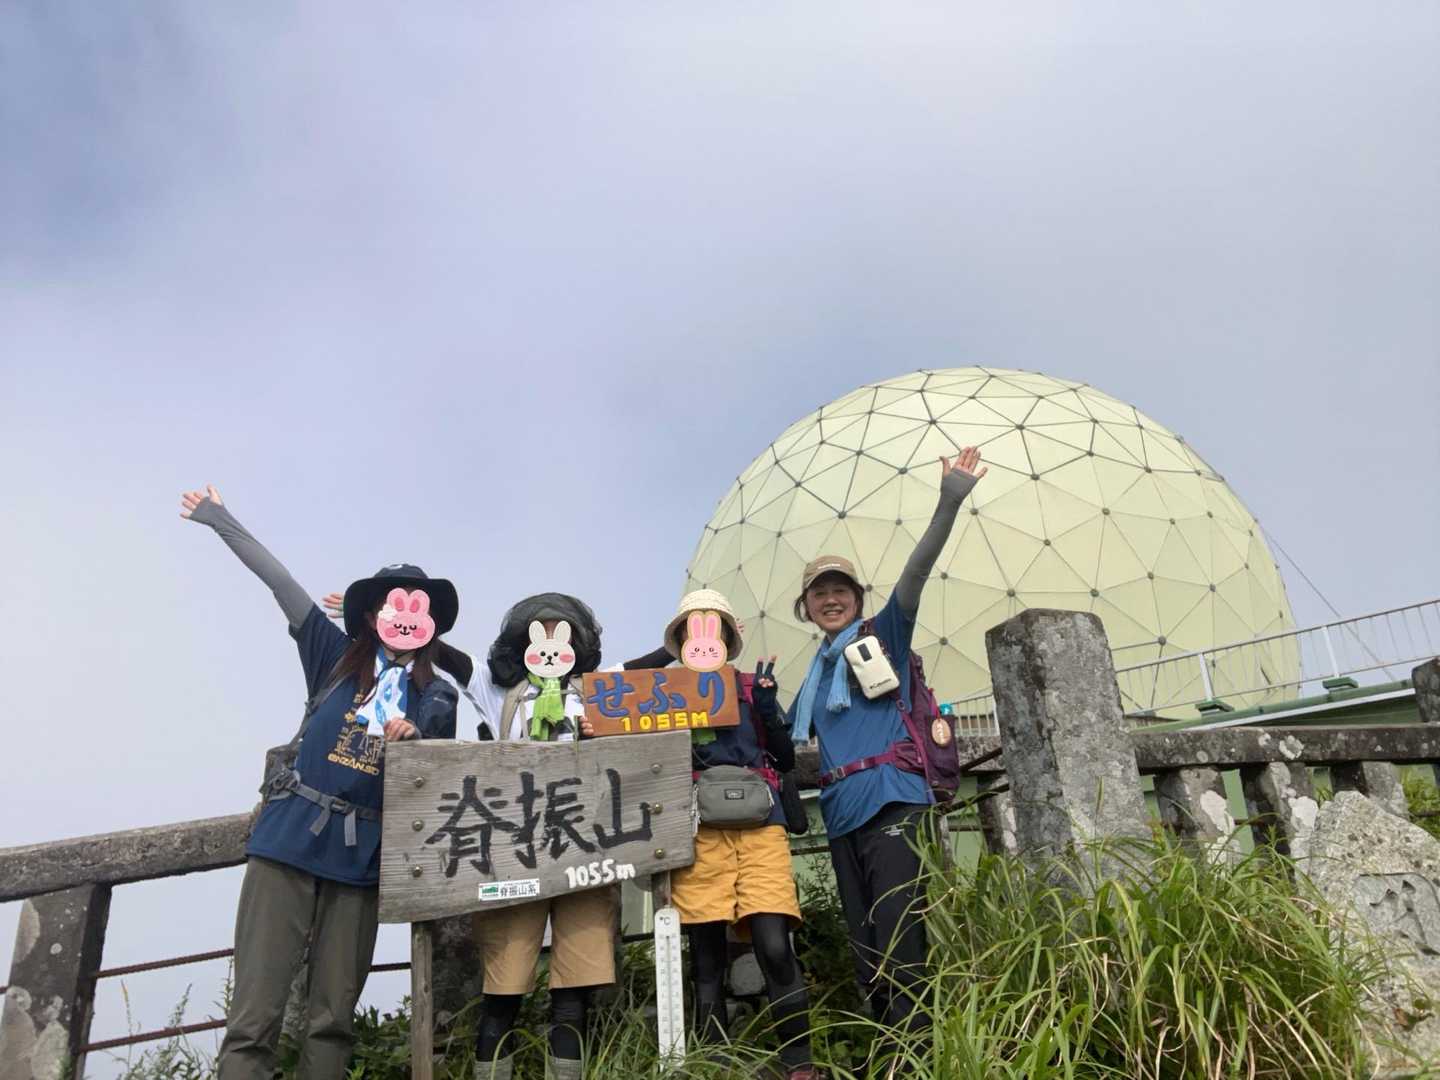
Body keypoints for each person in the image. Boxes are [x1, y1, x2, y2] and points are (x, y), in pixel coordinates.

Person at [180, 484, 460, 1080]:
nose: (401, 617)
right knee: (253, 1017)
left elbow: (439, 760)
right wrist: (219, 518)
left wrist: (415, 740)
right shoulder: (332, 657)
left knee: (332, 1021)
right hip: (286, 844)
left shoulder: (436, 692)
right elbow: (281, 583)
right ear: (370, 616)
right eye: (389, 606)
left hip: (360, 862)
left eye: (415, 609)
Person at [788, 449, 986, 1035]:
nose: (831, 599)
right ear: (806, 608)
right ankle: (887, 1052)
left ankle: (916, 1056)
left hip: (895, 802)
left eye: (841, 590)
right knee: (866, 950)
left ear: (857, 597)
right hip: (842, 817)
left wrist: (950, 499)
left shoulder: (883, 639)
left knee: (902, 941)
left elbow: (915, 576)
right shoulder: (814, 680)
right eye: (819, 593)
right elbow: (779, 739)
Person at [657, 590, 819, 1080]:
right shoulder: (663, 695)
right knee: (705, 958)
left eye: (711, 627)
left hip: (760, 827)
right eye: (693, 628)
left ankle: (799, 1064)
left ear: (726, 636)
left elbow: (785, 758)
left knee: (775, 946)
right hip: (699, 829)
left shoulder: (751, 687)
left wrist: (767, 708)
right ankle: (711, 1065)